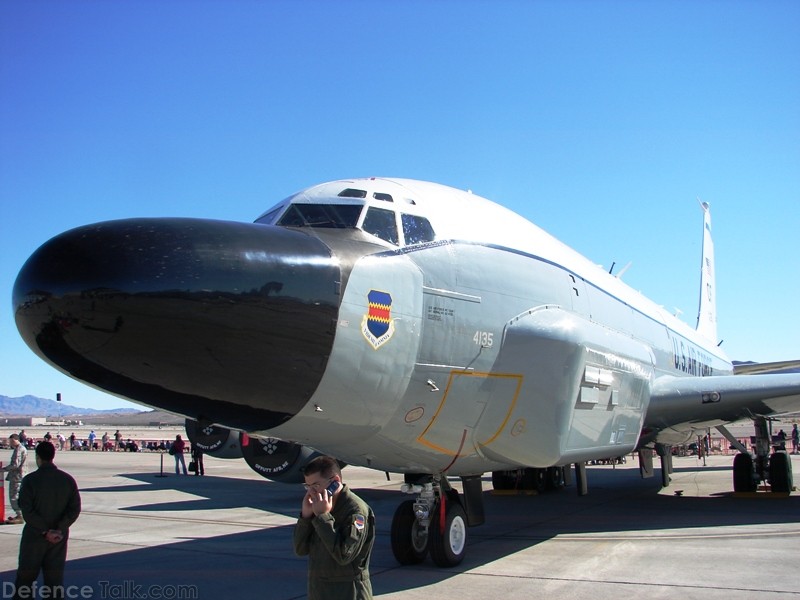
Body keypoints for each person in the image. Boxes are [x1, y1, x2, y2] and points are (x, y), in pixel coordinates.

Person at [293, 456, 375, 600]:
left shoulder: (356, 511)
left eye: (316, 486)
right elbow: (300, 549)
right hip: (320, 591)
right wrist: (306, 518)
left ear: (335, 482)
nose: (311, 492)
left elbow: (344, 555)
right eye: (308, 487)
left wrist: (323, 517)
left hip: (349, 593)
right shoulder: (318, 508)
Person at [13, 441, 81, 600]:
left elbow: (27, 510)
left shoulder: (30, 480)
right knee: (54, 582)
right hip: (58, 539)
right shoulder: (67, 480)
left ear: (38, 457)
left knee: (25, 580)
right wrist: (59, 528)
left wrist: (44, 531)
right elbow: (74, 509)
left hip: (34, 537)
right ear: (53, 456)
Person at [1, 433, 28, 524]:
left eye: (12, 441)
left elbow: (15, 465)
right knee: (17, 496)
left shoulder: (19, 449)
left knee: (14, 496)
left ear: (15, 440)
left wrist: (3, 469)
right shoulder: (20, 448)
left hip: (17, 477)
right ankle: (19, 515)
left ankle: (20, 515)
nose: (11, 443)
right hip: (19, 476)